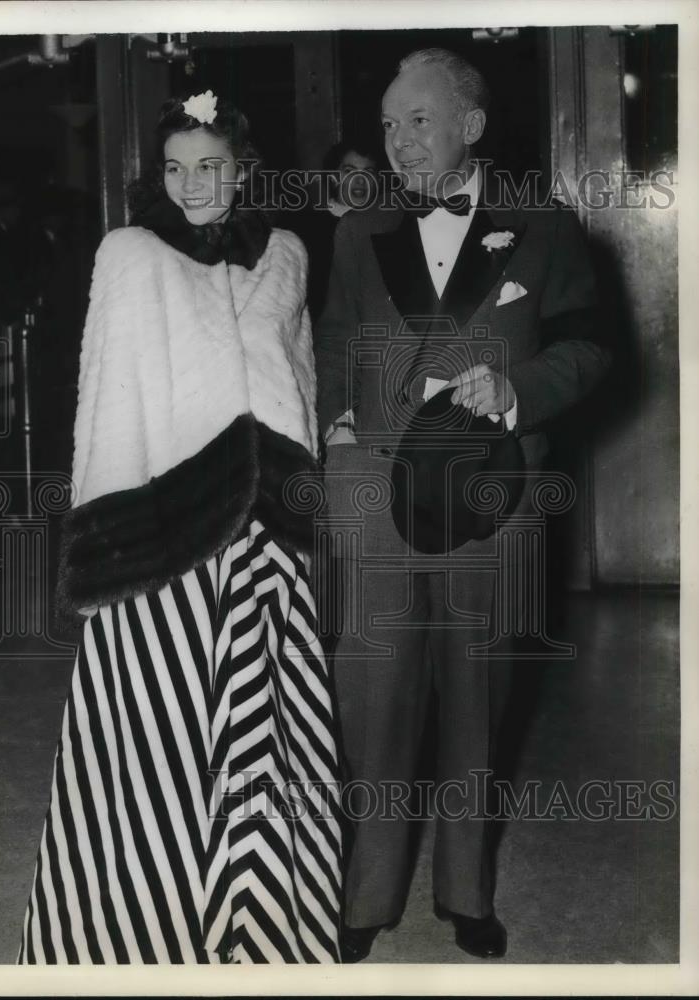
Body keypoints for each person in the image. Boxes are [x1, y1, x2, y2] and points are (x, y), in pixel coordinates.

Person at [18, 89, 342, 964]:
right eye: (174, 168)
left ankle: (263, 926)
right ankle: (137, 930)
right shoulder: (129, 253)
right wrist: (108, 545)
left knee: (266, 736)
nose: (192, 185)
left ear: (241, 170)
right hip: (158, 534)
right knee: (153, 736)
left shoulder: (288, 256)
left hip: (266, 529)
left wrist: (303, 502)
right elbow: (104, 404)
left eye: (209, 167)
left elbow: (298, 383)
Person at [315, 48, 611, 961]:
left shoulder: (544, 227)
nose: (400, 142)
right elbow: (332, 343)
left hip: (497, 489)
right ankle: (364, 898)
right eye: (389, 125)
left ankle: (466, 892)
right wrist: (334, 423)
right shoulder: (359, 231)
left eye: (420, 120)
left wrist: (516, 388)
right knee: (373, 699)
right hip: (377, 492)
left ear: (472, 126)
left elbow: (592, 349)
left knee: (480, 696)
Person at [281, 139, 377, 323]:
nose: (360, 180)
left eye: (368, 172)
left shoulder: (388, 227)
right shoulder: (303, 226)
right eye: (349, 171)